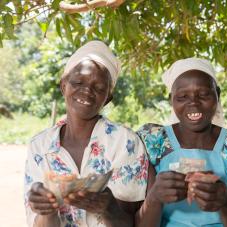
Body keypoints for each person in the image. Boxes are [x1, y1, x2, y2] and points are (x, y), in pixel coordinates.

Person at [24, 41, 148, 227]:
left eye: (98, 88)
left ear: (108, 98)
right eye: (78, 82)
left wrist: (109, 208)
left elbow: (129, 222)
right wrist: (46, 210)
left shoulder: (125, 142)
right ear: (63, 85)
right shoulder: (40, 146)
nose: (87, 91)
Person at [135, 57, 227, 227]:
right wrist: (155, 198)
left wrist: (226, 202)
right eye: (182, 96)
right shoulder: (151, 140)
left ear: (218, 94)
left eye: (203, 94)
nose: (193, 102)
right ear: (171, 99)